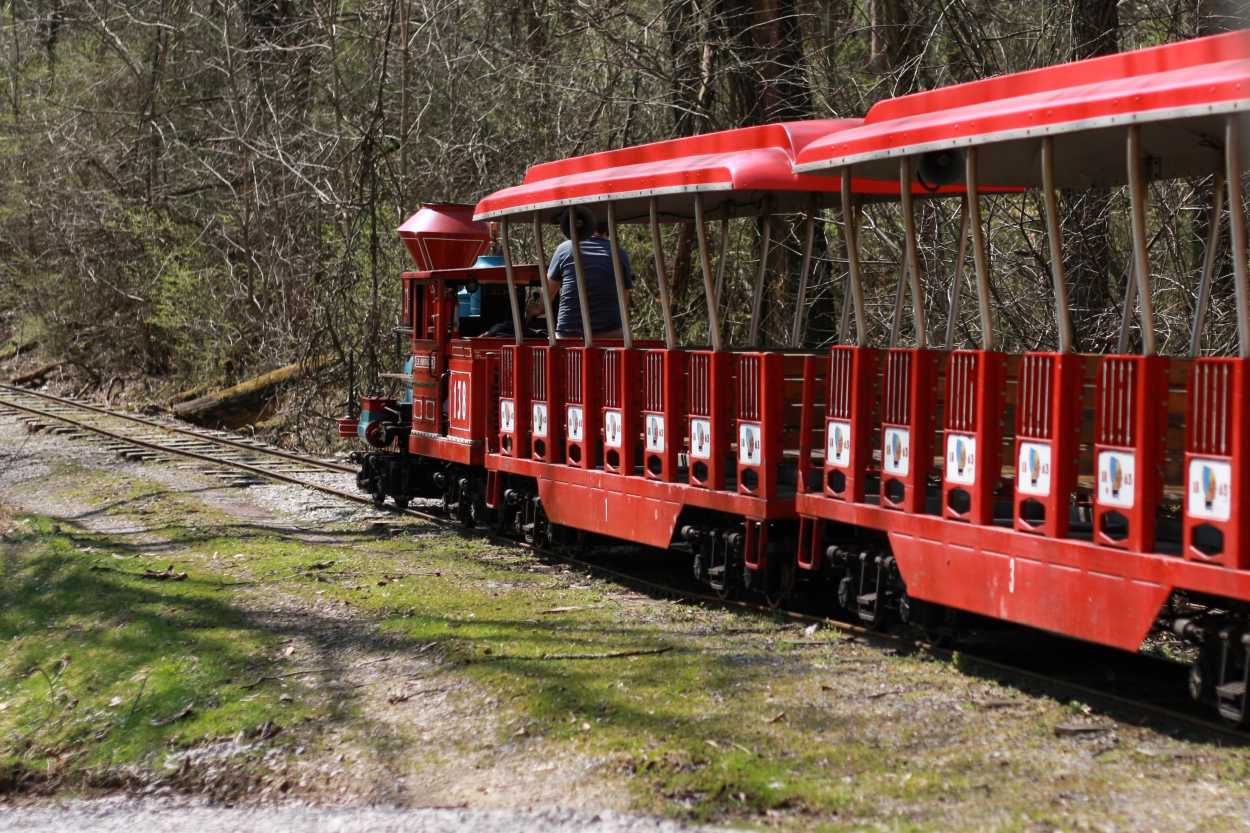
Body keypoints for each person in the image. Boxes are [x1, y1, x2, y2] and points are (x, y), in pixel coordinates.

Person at [547, 207, 632, 339]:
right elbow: (624, 302)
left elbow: (547, 296)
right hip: (609, 335)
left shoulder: (565, 249)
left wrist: (535, 309)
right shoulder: (619, 253)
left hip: (569, 335)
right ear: (608, 228)